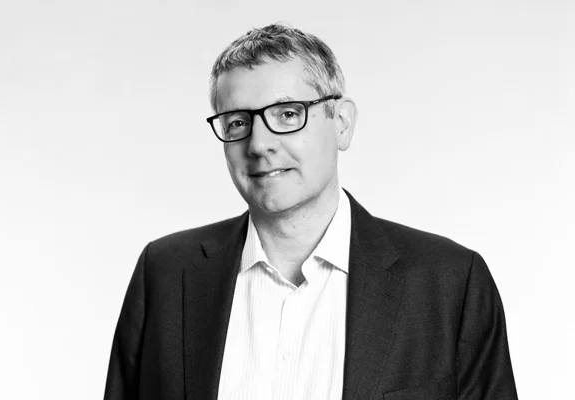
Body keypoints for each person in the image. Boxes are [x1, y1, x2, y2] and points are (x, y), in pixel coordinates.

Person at [104, 23, 518, 400]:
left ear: (341, 123)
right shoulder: (164, 273)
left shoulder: (450, 282)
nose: (259, 144)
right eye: (237, 122)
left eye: (288, 114)